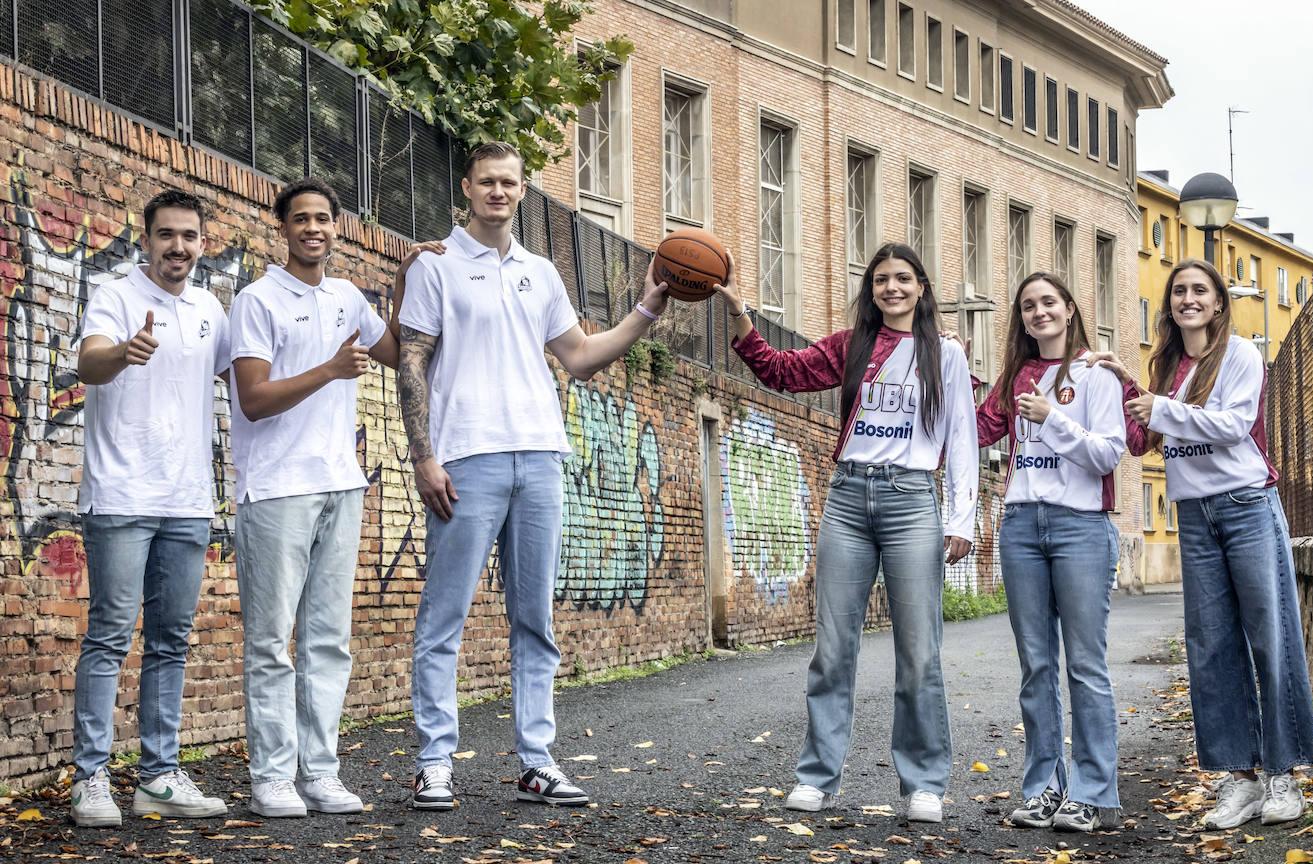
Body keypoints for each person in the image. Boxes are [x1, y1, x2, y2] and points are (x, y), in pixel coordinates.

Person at [398, 141, 670, 811]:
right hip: (465, 458)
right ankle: (434, 761)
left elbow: (578, 357)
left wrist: (647, 309)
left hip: (542, 458)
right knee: (444, 617)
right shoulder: (437, 265)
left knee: (535, 619)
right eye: (486, 181)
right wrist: (422, 455)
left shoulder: (542, 271)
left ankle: (537, 761)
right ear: (466, 186)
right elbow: (411, 359)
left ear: (523, 191)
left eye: (509, 182)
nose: (497, 191)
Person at [716, 241, 976, 823]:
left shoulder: (945, 355)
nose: (892, 288)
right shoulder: (852, 345)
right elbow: (779, 372)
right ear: (871, 289)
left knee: (919, 652)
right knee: (833, 649)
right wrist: (739, 312)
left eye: (904, 278)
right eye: (882, 279)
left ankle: (924, 784)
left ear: (922, 288)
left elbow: (962, 439)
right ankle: (818, 776)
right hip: (849, 497)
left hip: (912, 499)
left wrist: (961, 520)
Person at [229, 177, 441, 818]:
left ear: (336, 226)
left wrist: (408, 276)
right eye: (301, 219)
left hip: (341, 486)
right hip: (275, 490)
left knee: (327, 639)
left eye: (323, 218)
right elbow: (253, 399)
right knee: (270, 641)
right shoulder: (257, 300)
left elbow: (404, 350)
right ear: (282, 227)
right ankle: (271, 777)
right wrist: (327, 369)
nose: (313, 228)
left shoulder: (349, 297)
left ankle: (319, 772)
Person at [1089, 258, 1313, 829]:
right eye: (1179, 291)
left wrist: (1162, 406)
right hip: (1193, 514)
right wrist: (1126, 383)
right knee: (1211, 648)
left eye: (1200, 290)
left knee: (1271, 638)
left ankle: (1283, 777)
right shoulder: (1167, 365)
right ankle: (1237, 779)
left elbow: (1233, 424)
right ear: (1170, 306)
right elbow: (1146, 437)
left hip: (1246, 506)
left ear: (1219, 303)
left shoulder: (1240, 355)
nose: (1188, 298)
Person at [70, 189, 230, 826]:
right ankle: (91, 781)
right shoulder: (114, 295)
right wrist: (122, 353)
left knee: (171, 642)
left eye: (190, 236)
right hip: (121, 496)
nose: (179, 247)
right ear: (147, 238)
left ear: (202, 243)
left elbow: (239, 375)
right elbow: (89, 362)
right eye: (167, 235)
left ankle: (158, 777)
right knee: (109, 637)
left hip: (188, 499)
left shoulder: (209, 308)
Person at [973, 272, 1125, 832]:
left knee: (1085, 664)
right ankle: (1042, 787)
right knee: (1036, 666)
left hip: (1080, 526)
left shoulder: (1094, 373)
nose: (1039, 313)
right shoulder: (1015, 377)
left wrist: (1053, 419)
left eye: (1048, 303)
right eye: (1028, 306)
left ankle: (1091, 792)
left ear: (1068, 309)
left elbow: (1108, 454)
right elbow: (978, 428)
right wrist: (953, 371)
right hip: (1020, 526)